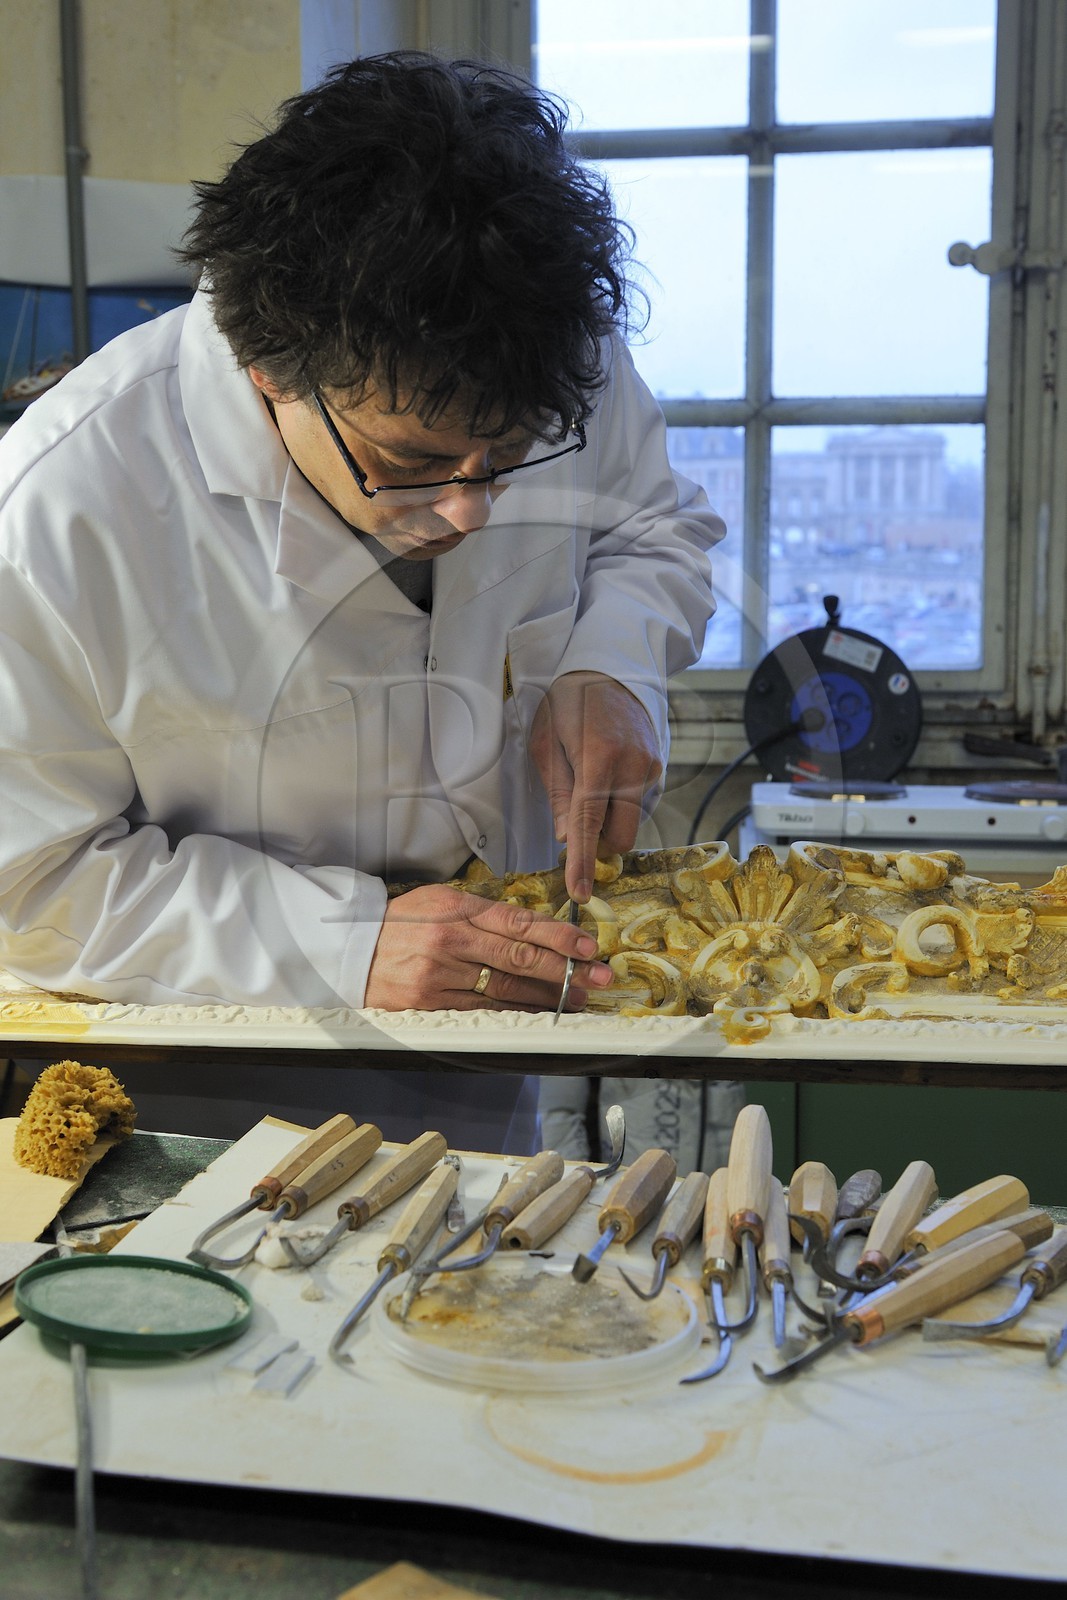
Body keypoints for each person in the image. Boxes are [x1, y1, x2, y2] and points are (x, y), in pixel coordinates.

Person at [0, 53, 723, 1148]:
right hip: (203, 1095)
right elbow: (32, 884)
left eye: (515, 455)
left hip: (487, 1053)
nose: (476, 511)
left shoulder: (542, 353)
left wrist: (610, 661)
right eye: (417, 459)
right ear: (267, 368)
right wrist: (341, 941)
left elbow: (651, 525)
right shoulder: (63, 508)